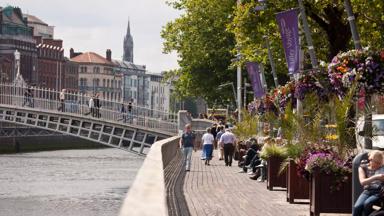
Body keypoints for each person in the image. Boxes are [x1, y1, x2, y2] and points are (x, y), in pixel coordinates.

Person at [353, 150, 384, 216]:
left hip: (379, 192)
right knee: (357, 207)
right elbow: (363, 182)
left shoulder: (382, 167)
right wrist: (376, 177)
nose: (379, 165)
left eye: (380, 163)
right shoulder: (363, 167)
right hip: (367, 191)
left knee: (367, 203)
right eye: (377, 163)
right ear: (371, 160)